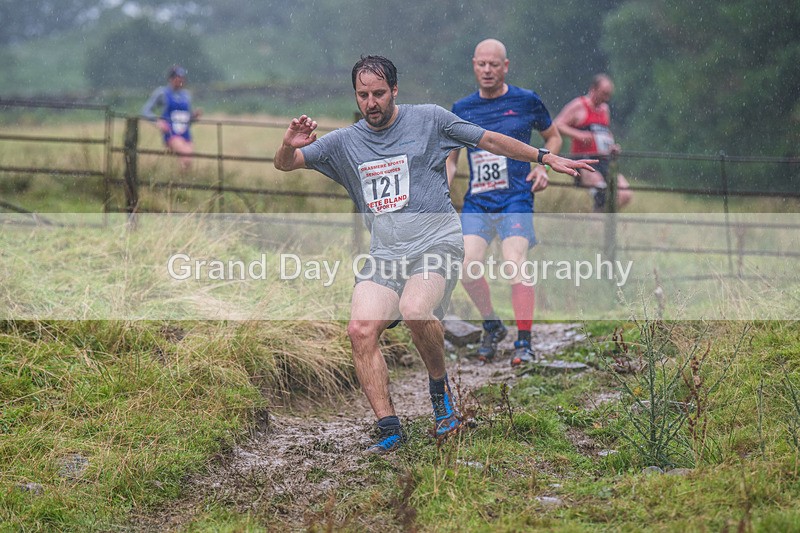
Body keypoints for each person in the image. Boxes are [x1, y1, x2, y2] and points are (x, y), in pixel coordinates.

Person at [273, 55, 595, 455]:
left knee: (415, 310)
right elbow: (287, 165)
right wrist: (287, 146)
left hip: (436, 242)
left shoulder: (429, 119)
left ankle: (439, 391)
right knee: (360, 330)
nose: (370, 102)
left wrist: (545, 157)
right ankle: (389, 427)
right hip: (386, 254)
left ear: (394, 90)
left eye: (378, 93)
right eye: (362, 95)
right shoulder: (346, 142)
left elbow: (489, 139)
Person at [446, 39, 562, 367]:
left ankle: (524, 341)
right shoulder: (462, 109)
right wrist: (443, 185)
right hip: (479, 203)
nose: (486, 70)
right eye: (481, 64)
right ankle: (492, 324)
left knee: (514, 262)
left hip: (516, 197)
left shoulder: (527, 100)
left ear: (505, 66)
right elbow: (452, 159)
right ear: (473, 65)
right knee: (467, 266)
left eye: (493, 64)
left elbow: (553, 137)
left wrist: (543, 166)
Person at [553, 73, 632, 212]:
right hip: (584, 160)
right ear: (593, 89)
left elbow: (604, 133)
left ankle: (602, 221)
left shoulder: (605, 109)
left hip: (604, 159)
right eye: (604, 93)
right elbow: (557, 125)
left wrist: (612, 146)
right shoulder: (578, 105)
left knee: (625, 194)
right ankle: (598, 225)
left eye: (609, 95)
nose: (606, 98)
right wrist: (579, 134)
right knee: (601, 192)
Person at [141, 65, 202, 172]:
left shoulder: (186, 95)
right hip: (171, 133)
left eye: (182, 79)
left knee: (187, 162)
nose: (180, 81)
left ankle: (180, 184)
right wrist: (157, 121)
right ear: (171, 79)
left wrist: (194, 116)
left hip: (185, 133)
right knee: (186, 156)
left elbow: (187, 120)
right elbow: (145, 111)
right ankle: (180, 183)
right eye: (177, 78)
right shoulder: (162, 93)